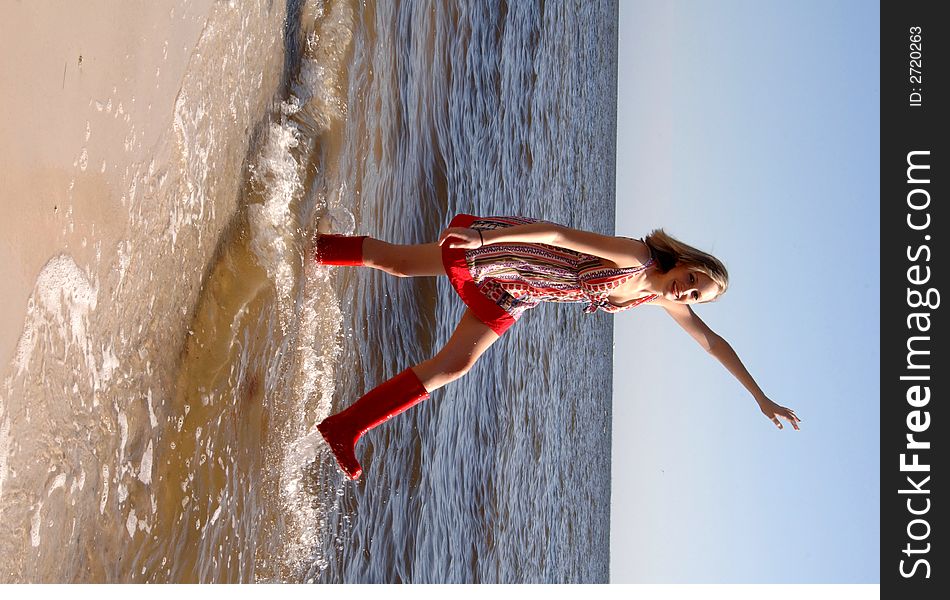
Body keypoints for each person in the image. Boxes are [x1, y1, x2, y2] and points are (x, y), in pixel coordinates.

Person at [315, 214, 801, 480]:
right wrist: (487, 236)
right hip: (511, 255)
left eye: (697, 295)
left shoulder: (658, 298)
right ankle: (315, 249)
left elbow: (713, 343)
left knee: (454, 365)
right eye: (692, 279)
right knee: (400, 263)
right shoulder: (637, 258)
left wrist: (760, 398)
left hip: (524, 291)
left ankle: (345, 427)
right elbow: (559, 234)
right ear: (685, 261)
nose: (687, 293)